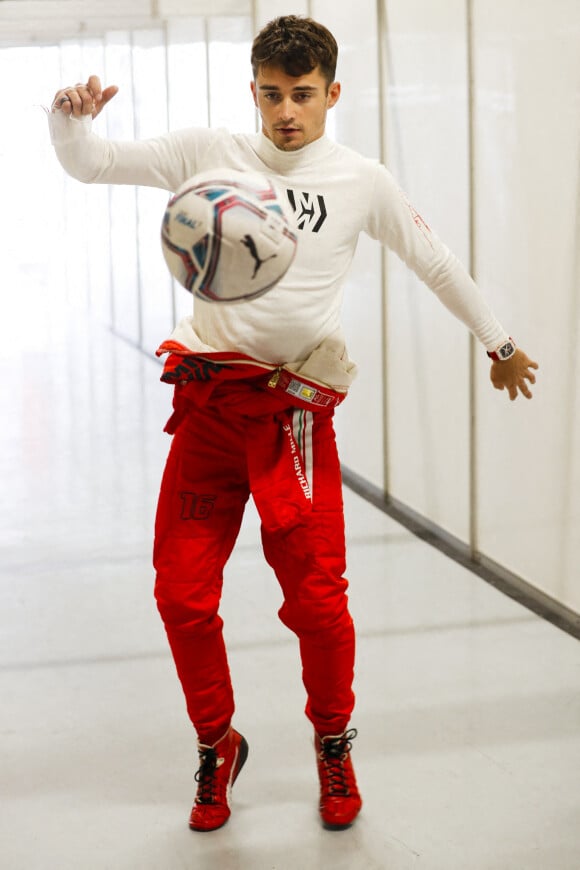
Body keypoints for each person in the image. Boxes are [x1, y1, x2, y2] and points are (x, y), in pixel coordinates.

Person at [48, 15, 538, 833]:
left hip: (292, 419)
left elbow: (436, 261)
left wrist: (501, 343)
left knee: (317, 603)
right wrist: (70, 120)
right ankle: (216, 743)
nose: (286, 112)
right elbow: (93, 163)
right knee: (181, 594)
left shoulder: (361, 180)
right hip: (207, 408)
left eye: (303, 96)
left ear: (331, 94)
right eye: (272, 95)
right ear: (254, 91)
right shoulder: (210, 152)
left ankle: (333, 742)